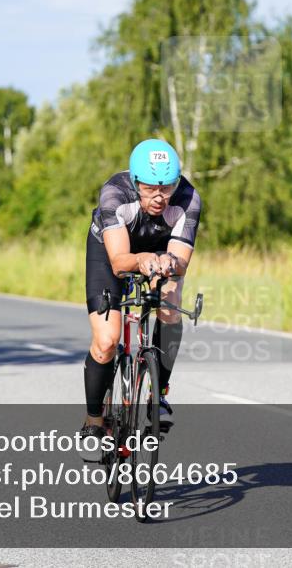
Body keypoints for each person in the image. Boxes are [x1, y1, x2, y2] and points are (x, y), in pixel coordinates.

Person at [79, 139, 202, 452]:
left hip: (160, 248)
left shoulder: (188, 198)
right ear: (135, 182)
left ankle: (158, 391)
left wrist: (169, 263)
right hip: (112, 251)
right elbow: (120, 263)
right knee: (107, 340)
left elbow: (181, 260)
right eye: (149, 189)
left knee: (171, 304)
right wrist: (141, 260)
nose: (159, 198)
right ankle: (94, 419)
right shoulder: (114, 194)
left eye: (167, 188)